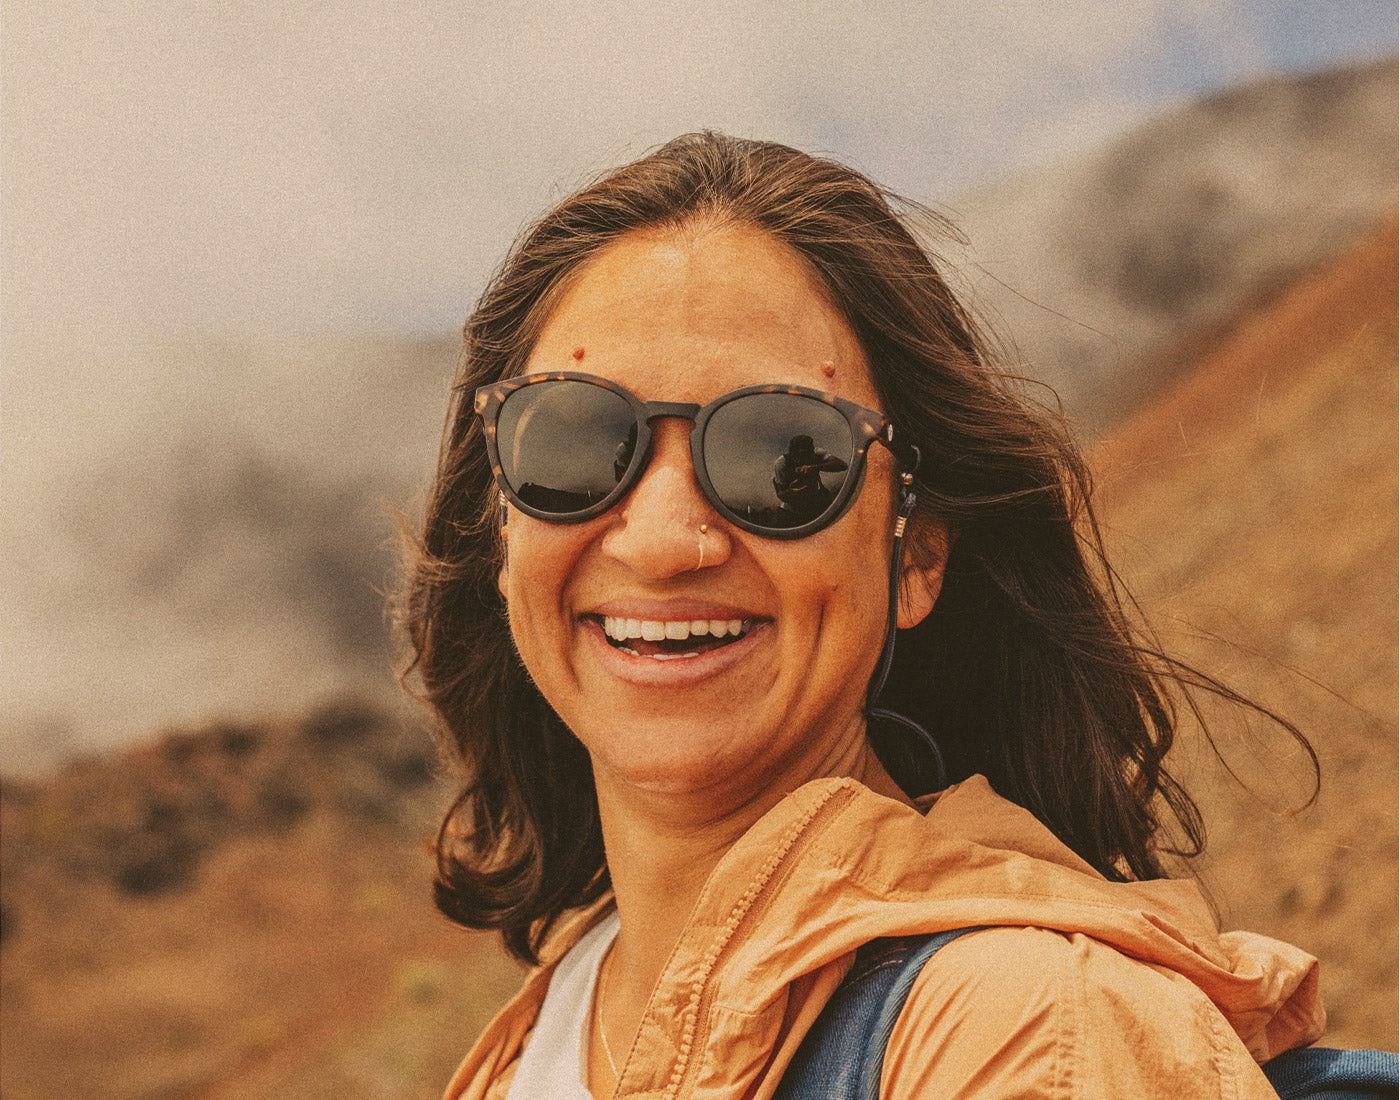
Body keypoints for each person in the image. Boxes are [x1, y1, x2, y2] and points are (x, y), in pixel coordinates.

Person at [400, 132, 1327, 1099]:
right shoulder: (545, 1034)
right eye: (573, 442)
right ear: (500, 521)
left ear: (918, 550)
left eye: (785, 454)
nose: (663, 538)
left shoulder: (1023, 1034)